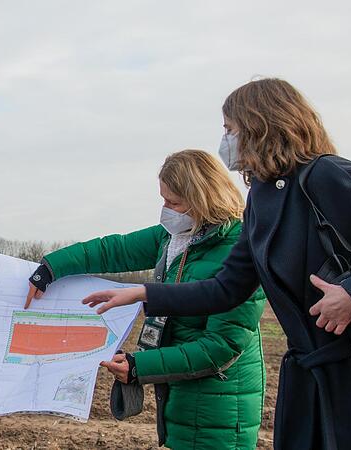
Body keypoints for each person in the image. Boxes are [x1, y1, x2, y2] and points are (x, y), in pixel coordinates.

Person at [83, 78, 351, 449]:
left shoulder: (327, 176)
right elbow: (226, 288)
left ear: (261, 126)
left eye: (230, 129)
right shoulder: (260, 199)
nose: (225, 140)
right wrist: (143, 293)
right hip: (306, 383)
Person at [26, 150, 266, 449]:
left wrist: (139, 366)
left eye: (174, 203)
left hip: (220, 405)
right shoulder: (174, 238)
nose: (166, 210)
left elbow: (221, 347)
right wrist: (52, 267)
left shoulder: (238, 251)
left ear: (203, 198)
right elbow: (114, 250)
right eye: (163, 199)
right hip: (183, 394)